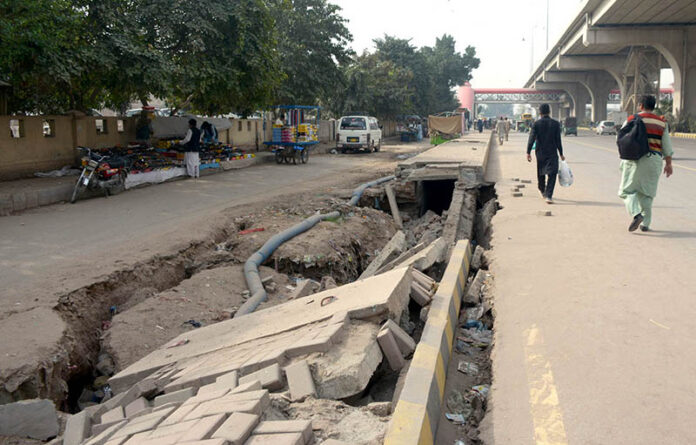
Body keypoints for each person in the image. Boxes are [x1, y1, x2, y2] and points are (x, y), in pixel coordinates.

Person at [618, 95, 674, 232]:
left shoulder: (633, 119)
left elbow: (621, 137)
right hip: (654, 159)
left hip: (635, 159)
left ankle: (637, 214)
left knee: (626, 191)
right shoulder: (661, 123)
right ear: (653, 106)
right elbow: (666, 146)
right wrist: (668, 164)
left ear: (641, 105)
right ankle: (646, 223)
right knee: (647, 193)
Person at [527, 103, 565, 204]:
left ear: (540, 112)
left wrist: (528, 152)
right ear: (549, 112)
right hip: (552, 152)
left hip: (540, 152)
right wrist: (561, 153)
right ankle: (548, 195)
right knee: (553, 173)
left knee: (541, 171)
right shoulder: (556, 124)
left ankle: (542, 190)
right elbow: (558, 140)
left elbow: (531, 138)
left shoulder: (536, 124)